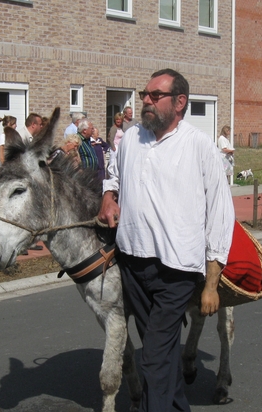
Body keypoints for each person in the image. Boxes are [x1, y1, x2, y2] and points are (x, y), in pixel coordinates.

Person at [97, 69, 234, 412]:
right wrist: (109, 195)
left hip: (177, 271)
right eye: (144, 94)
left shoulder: (200, 146)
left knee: (154, 357)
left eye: (154, 95)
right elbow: (113, 173)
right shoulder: (130, 138)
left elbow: (220, 215)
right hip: (133, 263)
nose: (145, 100)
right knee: (165, 352)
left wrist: (211, 285)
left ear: (179, 102)